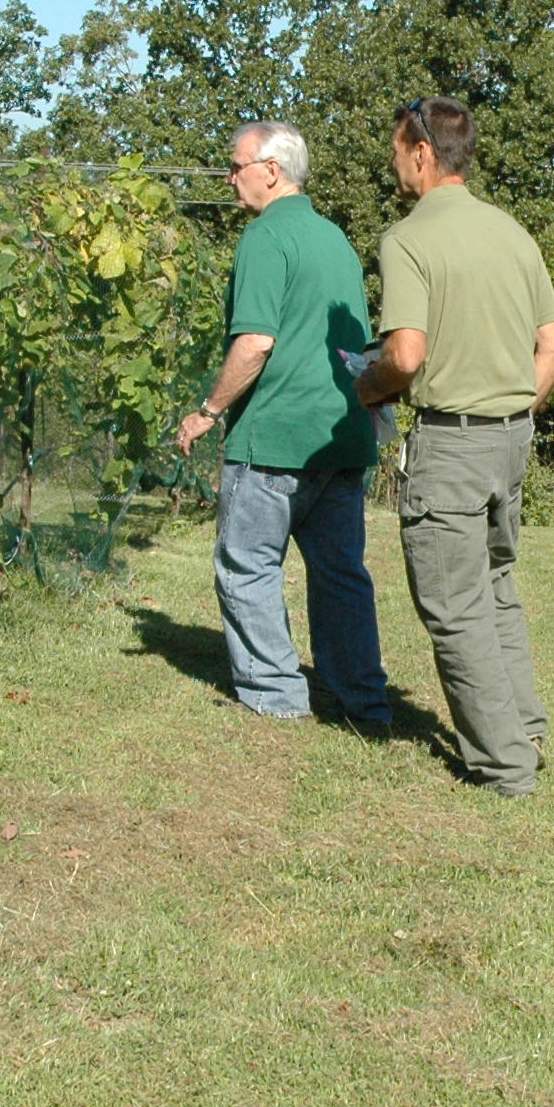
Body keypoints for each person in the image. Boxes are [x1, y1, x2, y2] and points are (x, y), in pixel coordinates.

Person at [353, 97, 554, 796]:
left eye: (396, 153)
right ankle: (524, 730)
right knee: (496, 587)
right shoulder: (513, 233)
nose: (394, 166)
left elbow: (407, 355)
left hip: (453, 443)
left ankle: (504, 766)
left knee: (453, 604)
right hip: (512, 442)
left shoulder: (408, 238)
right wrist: (512, 410)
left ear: (422, 151)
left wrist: (367, 388)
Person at [174, 121, 389, 725]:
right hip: (341, 436)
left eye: (235, 165)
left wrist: (208, 411)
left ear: (270, 170)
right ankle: (364, 701)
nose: (229, 177)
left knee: (247, 565)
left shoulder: (265, 238)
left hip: (273, 436)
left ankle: (275, 695)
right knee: (341, 574)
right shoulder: (335, 239)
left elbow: (256, 342)